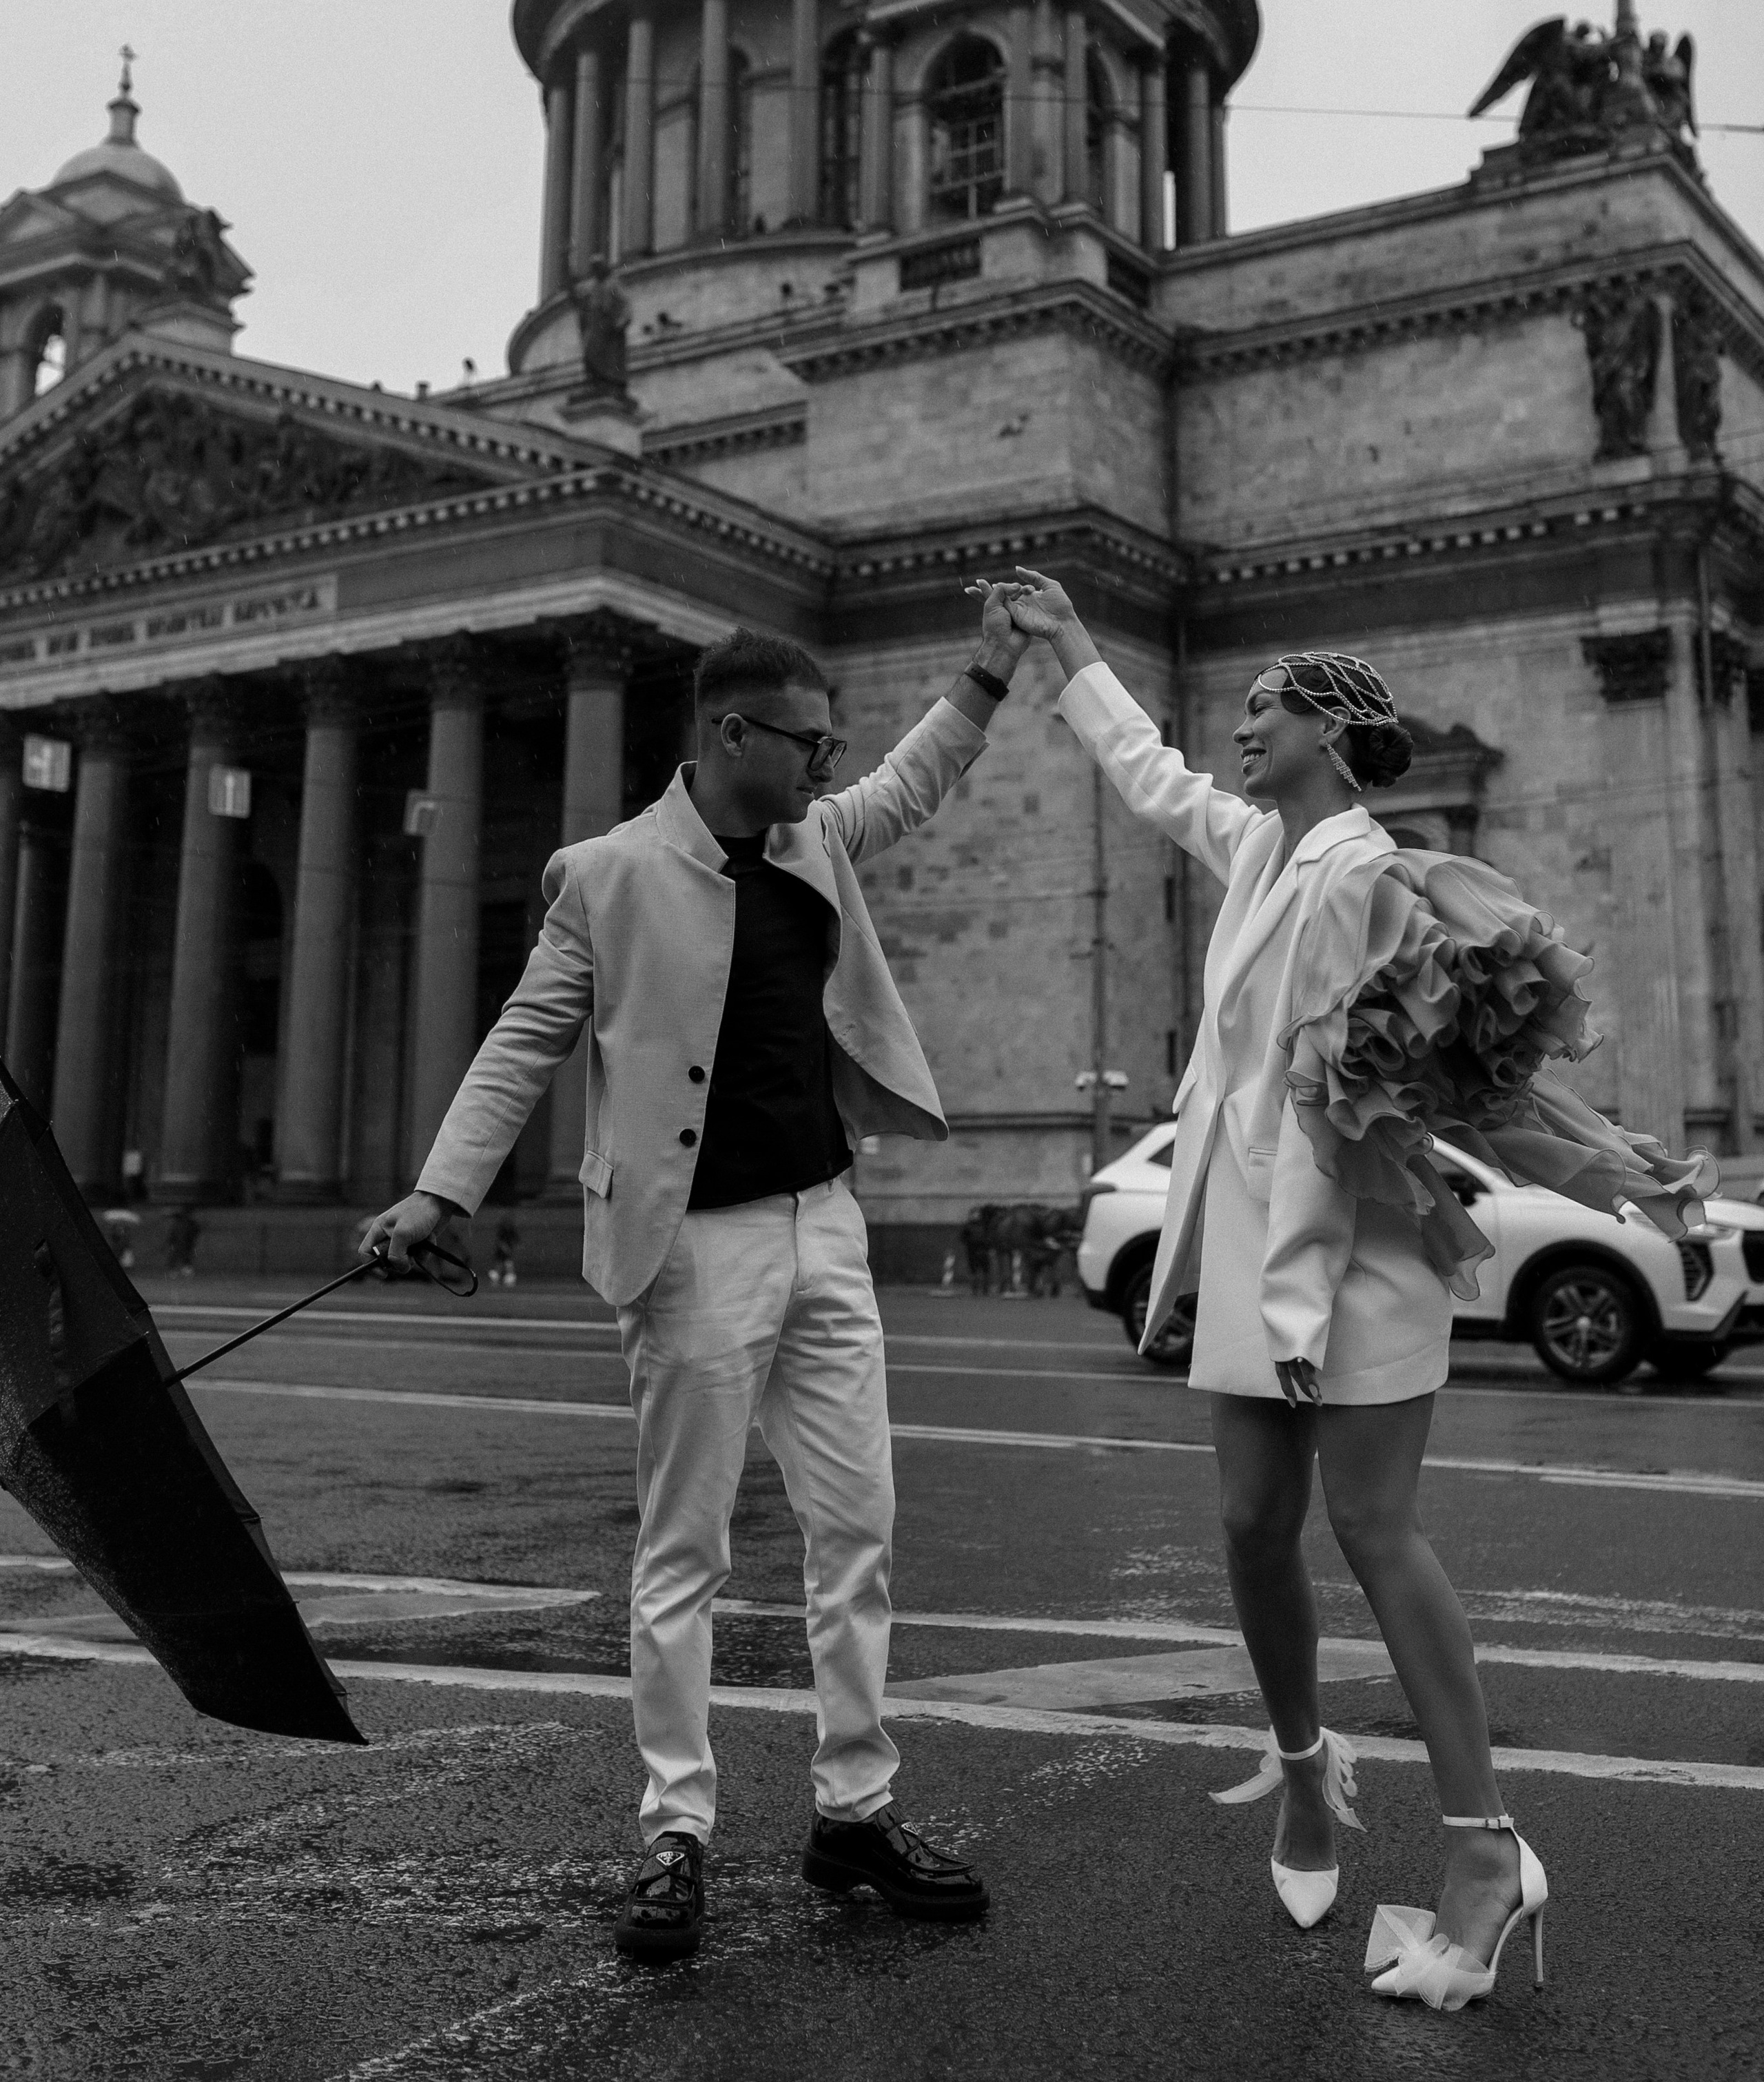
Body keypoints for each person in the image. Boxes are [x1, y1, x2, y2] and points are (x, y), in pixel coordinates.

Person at [1003, 567, 1712, 2012]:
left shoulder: (1365, 877)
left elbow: (1436, 1094)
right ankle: (1306, 1773)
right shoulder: (1268, 851)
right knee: (1250, 1528)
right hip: (1256, 1250)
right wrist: (1069, 647)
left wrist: (1618, 1175)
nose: (1237, 734)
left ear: (1325, 735)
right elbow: (1150, 779)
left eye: (1260, 715)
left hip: (1354, 1259)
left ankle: (1481, 1846)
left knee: (1371, 1531)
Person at [361, 604, 1027, 1963]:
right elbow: (522, 1041)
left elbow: (916, 778)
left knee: (858, 1534)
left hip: (823, 1223)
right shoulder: (603, 876)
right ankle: (675, 1833)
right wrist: (444, 1189)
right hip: (690, 1250)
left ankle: (854, 1809)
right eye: (803, 745)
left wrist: (989, 666)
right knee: (687, 1555)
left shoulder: (815, 843)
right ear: (731, 734)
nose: (825, 770)